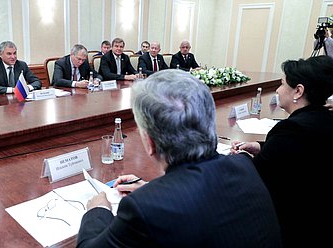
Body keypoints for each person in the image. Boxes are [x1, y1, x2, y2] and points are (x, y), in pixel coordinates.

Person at [77, 69, 282, 247]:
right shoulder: (243, 164)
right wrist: (155, 190)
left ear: (149, 143)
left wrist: (98, 210)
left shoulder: (144, 208)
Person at [230, 55, 333, 247]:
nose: (277, 90)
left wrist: (241, 156)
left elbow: (255, 176)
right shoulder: (323, 118)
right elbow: (298, 152)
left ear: (298, 91)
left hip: (291, 227)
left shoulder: (291, 130)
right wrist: (262, 147)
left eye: (282, 83)